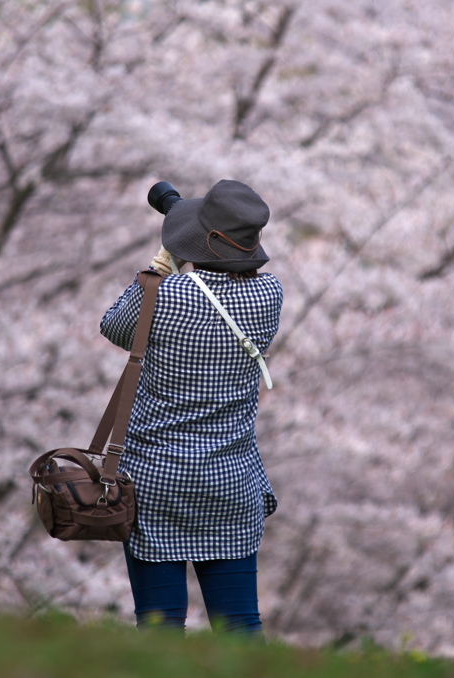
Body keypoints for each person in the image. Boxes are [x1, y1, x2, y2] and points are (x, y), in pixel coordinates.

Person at [99, 179, 283, 637]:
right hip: (231, 481)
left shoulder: (163, 295)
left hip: (155, 481)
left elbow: (114, 326)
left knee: (160, 625)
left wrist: (162, 262)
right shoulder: (270, 296)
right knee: (240, 624)